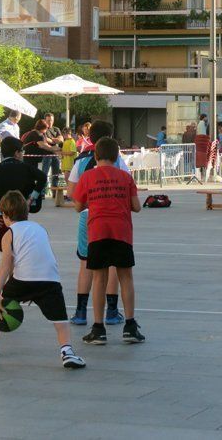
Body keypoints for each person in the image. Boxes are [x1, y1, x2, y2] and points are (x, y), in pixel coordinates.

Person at [0, 191, 85, 369]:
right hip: (50, 279)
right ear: (27, 212)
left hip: (24, 279)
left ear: (5, 216)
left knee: (0, 306)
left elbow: (5, 266)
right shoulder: (40, 228)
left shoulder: (9, 234)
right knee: (60, 321)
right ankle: (67, 352)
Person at [73, 137, 144, 345]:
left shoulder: (88, 177)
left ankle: (98, 328)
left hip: (97, 231)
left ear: (96, 156)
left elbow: (78, 206)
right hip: (121, 232)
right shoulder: (125, 177)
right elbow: (137, 207)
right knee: (126, 278)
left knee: (99, 279)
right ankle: (130, 326)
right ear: (117, 157)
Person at [67, 120, 129, 326]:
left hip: (88, 215)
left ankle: (81, 311)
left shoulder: (82, 161)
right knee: (112, 265)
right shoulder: (118, 161)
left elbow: (71, 193)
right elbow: (129, 187)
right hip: (115, 216)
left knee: (85, 262)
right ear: (111, 138)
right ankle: (111, 311)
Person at [0, 137, 46, 308]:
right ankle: (9, 291)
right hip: (19, 220)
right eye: (22, 152)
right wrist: (32, 198)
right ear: (17, 153)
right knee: (13, 255)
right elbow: (43, 178)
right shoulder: (25, 168)